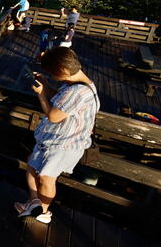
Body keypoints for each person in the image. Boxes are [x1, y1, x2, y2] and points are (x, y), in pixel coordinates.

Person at [16, 47, 99, 224]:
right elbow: (62, 101)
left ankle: (43, 212)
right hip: (53, 139)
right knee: (31, 168)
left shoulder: (78, 91)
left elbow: (54, 115)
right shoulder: (79, 84)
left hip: (66, 143)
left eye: (53, 74)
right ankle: (34, 203)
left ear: (63, 71)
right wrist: (46, 85)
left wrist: (41, 95)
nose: (53, 76)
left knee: (46, 177)